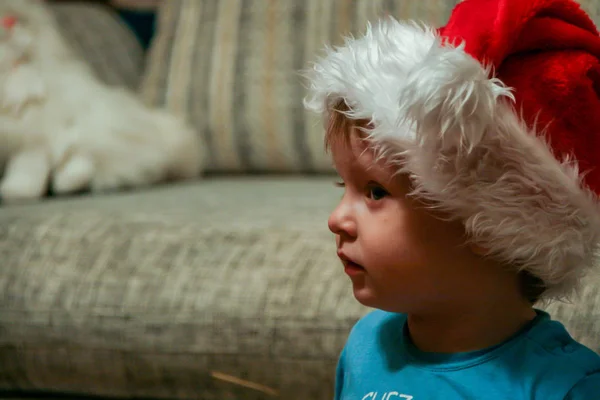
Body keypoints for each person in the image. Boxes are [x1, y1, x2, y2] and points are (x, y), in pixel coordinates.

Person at [303, 0, 600, 398]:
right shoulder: (367, 346)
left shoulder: (564, 388)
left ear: (488, 223)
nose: (337, 219)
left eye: (376, 191)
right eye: (345, 188)